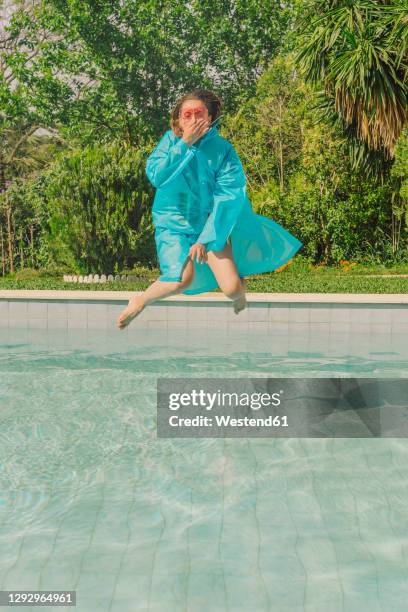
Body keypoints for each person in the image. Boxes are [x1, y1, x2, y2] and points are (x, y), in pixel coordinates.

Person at [117, 89, 302, 330]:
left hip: (210, 225)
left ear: (211, 117)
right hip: (173, 224)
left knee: (232, 288)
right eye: (187, 115)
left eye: (199, 114)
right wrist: (186, 144)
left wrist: (205, 239)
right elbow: (157, 176)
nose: (192, 120)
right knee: (179, 281)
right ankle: (140, 300)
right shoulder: (170, 141)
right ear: (178, 119)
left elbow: (229, 196)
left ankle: (241, 295)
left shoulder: (223, 150)